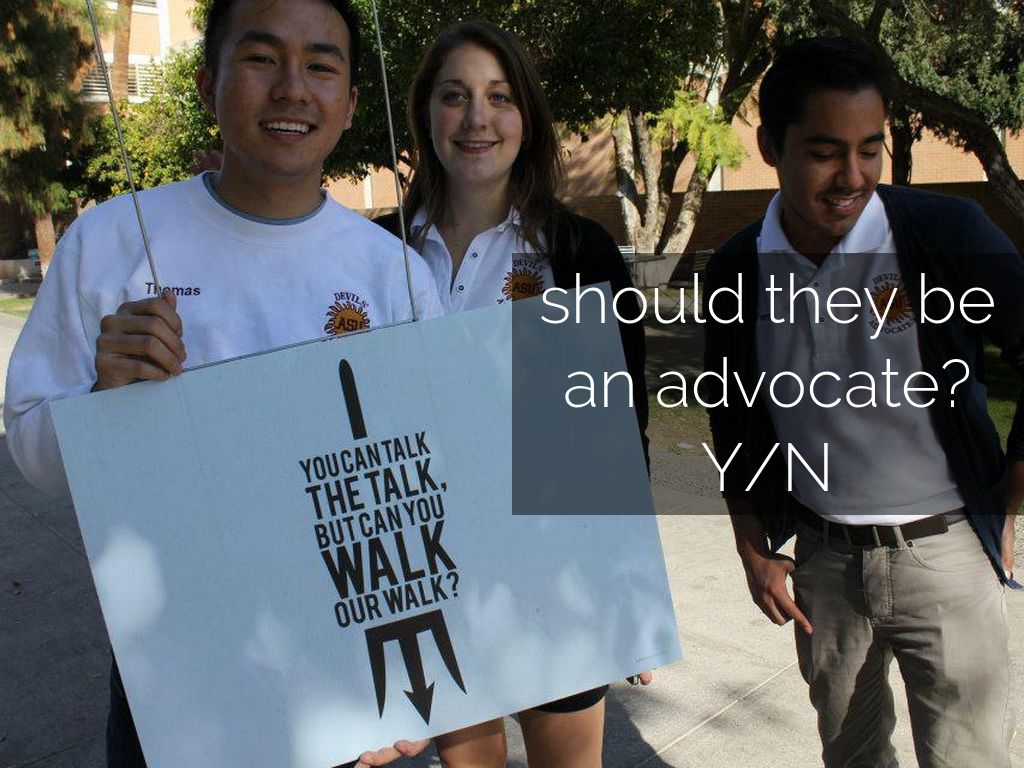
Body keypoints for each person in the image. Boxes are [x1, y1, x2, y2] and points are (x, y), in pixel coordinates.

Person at [3, 1, 442, 766]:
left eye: (321, 65)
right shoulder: (110, 241)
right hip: (176, 683)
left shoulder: (395, 272)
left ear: (350, 102)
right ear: (209, 86)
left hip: (352, 676)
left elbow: (435, 482)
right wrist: (102, 403)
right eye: (262, 58)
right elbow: (32, 456)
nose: (293, 88)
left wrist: (422, 669)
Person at [703, 36, 1022, 767]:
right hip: (823, 564)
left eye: (870, 149)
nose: (852, 176)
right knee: (850, 758)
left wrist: (1012, 496)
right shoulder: (737, 269)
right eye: (824, 153)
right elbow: (735, 420)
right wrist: (753, 551)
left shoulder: (946, 235)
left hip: (946, 555)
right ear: (770, 147)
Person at [375, 20, 650, 768]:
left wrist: (629, 584)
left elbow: (618, 427)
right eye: (454, 96)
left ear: (526, 118)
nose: (477, 118)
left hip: (552, 568)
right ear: (425, 114)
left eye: (500, 97)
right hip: (429, 571)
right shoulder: (374, 253)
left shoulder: (580, 252)